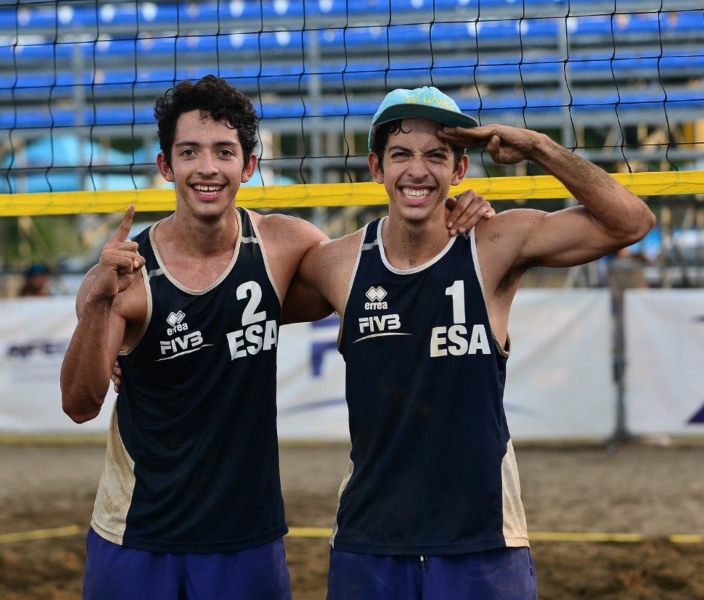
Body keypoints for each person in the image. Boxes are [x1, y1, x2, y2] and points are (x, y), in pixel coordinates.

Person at [60, 75, 492, 599]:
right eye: (189, 152)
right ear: (165, 166)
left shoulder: (285, 246)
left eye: (224, 151)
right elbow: (80, 404)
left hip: (246, 540)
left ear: (248, 165)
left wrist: (456, 209)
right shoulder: (125, 273)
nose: (206, 168)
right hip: (134, 533)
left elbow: (389, 266)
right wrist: (100, 304)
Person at [287, 86, 656, 599]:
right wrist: (134, 344)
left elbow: (632, 221)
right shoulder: (338, 263)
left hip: (483, 543)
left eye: (436, 156)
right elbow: (234, 309)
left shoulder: (496, 244)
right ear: (376, 167)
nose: (418, 170)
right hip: (370, 542)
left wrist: (535, 147)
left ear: (459, 170)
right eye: (401, 155)